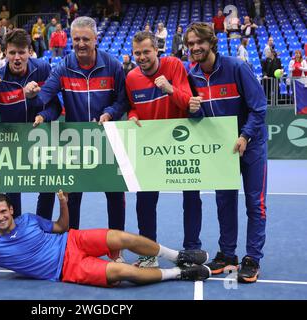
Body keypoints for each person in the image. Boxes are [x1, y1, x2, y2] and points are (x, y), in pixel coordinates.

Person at [0, 191, 211, 285]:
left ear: (11, 210)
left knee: (122, 237)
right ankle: (179, 273)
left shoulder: (29, 219)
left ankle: (179, 256)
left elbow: (62, 227)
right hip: (67, 269)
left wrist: (63, 203)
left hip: (72, 241)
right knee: (122, 272)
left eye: (2, 211)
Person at [24, 16, 128, 245]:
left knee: (115, 196)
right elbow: (45, 96)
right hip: (76, 143)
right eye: (76, 39)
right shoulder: (63, 66)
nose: (80, 44)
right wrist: (33, 96)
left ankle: (116, 249)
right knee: (72, 199)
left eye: (85, 39)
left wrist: (110, 112)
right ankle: (72, 247)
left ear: (95, 39)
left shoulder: (112, 65)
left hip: (108, 140)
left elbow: (123, 101)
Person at [185, 22, 268, 283]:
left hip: (251, 145)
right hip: (222, 151)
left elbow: (259, 108)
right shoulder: (193, 75)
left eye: (200, 42)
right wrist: (193, 109)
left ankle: (252, 258)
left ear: (211, 42)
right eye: (191, 44)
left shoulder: (236, 67)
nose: (195, 47)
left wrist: (245, 135)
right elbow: (196, 118)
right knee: (225, 202)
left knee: (255, 203)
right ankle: (228, 255)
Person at [125, 31, 202, 268]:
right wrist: (133, 115)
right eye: (137, 53)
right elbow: (131, 108)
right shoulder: (131, 78)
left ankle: (192, 251)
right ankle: (148, 254)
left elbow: (189, 103)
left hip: (181, 145)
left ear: (157, 50)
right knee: (145, 201)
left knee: (191, 197)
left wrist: (168, 88)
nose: (141, 57)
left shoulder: (174, 65)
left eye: (146, 52)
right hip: (151, 148)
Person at [0, 28, 61, 220]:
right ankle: (17, 234)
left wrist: (44, 115)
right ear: (5, 52)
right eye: (12, 52)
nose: (17, 57)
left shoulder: (43, 69)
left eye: (21, 52)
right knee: (13, 192)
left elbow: (56, 107)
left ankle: (42, 229)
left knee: (47, 188)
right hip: (11, 142)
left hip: (41, 139)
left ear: (29, 52)